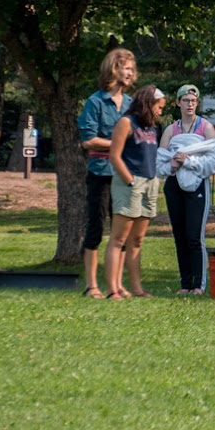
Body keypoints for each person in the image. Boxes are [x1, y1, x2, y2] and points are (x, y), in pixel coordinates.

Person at [77, 48, 136, 299]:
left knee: (122, 232)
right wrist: (117, 144)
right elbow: (88, 141)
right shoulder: (95, 102)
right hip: (100, 173)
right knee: (96, 228)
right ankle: (91, 285)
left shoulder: (132, 104)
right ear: (113, 69)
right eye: (126, 68)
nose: (131, 73)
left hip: (124, 174)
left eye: (132, 69)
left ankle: (116, 285)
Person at [157, 85, 215, 295]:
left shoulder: (206, 128)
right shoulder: (170, 130)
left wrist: (189, 161)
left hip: (197, 186)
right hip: (174, 186)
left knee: (194, 236)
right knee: (180, 236)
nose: (190, 104)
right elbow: (160, 165)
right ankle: (185, 284)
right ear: (178, 103)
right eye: (185, 100)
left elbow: (214, 162)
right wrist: (172, 165)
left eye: (193, 101)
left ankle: (198, 285)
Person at [103, 85, 166, 300]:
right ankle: (113, 289)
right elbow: (114, 156)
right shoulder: (126, 122)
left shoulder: (153, 127)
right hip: (129, 183)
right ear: (148, 103)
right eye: (159, 107)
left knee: (137, 240)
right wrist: (130, 181)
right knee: (118, 239)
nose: (160, 111)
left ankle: (137, 288)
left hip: (149, 182)